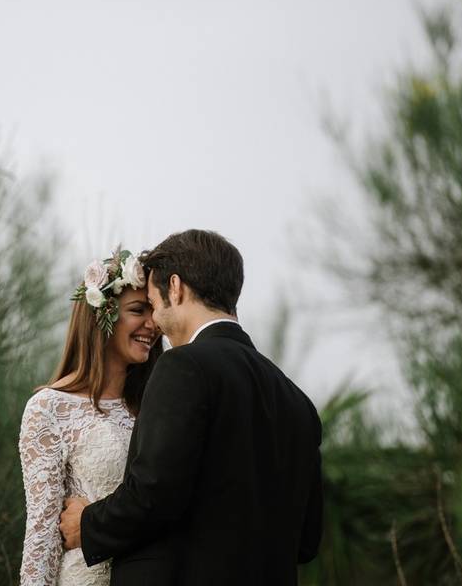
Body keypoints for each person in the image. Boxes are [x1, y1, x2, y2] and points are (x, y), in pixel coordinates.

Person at [58, 230, 323, 585]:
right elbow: (307, 540)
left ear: (176, 288)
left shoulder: (183, 367)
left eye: (152, 301)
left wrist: (87, 524)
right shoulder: (297, 402)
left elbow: (154, 493)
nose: (153, 320)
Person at [18, 247, 162, 586]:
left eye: (153, 311)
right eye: (138, 310)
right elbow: (41, 534)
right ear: (103, 316)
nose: (152, 324)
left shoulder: (156, 405)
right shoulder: (49, 408)